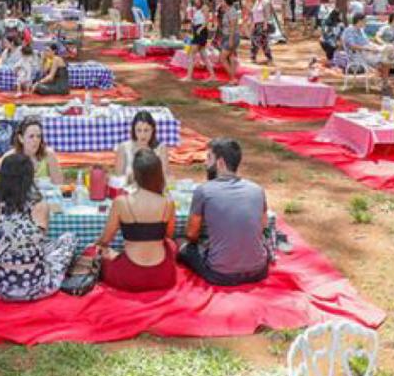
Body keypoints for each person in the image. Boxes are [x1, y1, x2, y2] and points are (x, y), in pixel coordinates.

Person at [0, 153, 74, 301]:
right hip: (38, 286)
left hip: (0, 287)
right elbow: (36, 243)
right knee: (69, 239)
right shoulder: (41, 205)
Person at [178, 138, 269, 285]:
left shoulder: (203, 191)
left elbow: (191, 234)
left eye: (209, 157)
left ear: (220, 163)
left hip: (220, 274)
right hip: (259, 271)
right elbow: (264, 227)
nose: (205, 163)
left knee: (180, 243)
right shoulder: (257, 190)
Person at [96, 149, 176, 292]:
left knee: (97, 250)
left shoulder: (121, 202)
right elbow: (168, 236)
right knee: (171, 245)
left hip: (129, 275)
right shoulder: (168, 203)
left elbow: (105, 240)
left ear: (135, 174)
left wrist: (102, 249)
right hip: (163, 275)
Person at [0, 116, 63, 185]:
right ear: (21, 138)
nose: (36, 140)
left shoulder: (48, 155)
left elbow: (59, 185)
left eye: (38, 136)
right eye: (31, 136)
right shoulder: (10, 157)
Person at [114, 110, 169, 182]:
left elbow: (163, 177)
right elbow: (118, 178)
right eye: (139, 130)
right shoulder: (124, 148)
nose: (143, 135)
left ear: (152, 130)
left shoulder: (161, 148)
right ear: (134, 130)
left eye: (146, 130)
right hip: (129, 190)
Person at [184, 0, 215, 81]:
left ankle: (189, 77)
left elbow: (207, 20)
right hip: (197, 31)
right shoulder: (197, 9)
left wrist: (200, 29)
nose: (195, 0)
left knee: (191, 53)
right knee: (204, 56)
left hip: (201, 32)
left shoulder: (204, 7)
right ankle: (213, 76)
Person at [248, 0, 275, 66]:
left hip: (263, 23)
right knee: (253, 40)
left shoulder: (265, 1)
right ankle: (253, 57)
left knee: (263, 41)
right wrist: (252, 24)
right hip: (256, 24)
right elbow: (254, 14)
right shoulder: (257, 2)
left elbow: (267, 14)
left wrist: (265, 24)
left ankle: (269, 57)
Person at [218, 0, 241, 84]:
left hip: (232, 37)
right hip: (226, 37)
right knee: (230, 57)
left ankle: (233, 78)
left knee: (222, 58)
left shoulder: (232, 11)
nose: (220, 2)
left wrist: (231, 40)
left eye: (221, 0)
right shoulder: (226, 10)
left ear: (226, 0)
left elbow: (233, 26)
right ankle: (233, 78)